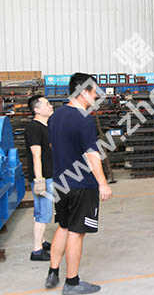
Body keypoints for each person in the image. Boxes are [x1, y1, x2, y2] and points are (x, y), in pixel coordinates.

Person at [45, 73, 113, 295]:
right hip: (81, 185)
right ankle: (72, 282)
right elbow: (92, 155)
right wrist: (103, 183)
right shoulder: (83, 119)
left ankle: (53, 271)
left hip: (60, 182)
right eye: (94, 92)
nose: (97, 96)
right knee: (76, 232)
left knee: (63, 226)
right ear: (84, 92)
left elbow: (54, 147)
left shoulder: (55, 116)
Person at [25, 95, 54, 261]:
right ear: (36, 109)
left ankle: (41, 241)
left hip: (48, 174)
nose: (51, 106)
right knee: (44, 213)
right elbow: (36, 155)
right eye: (47, 104)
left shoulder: (46, 126)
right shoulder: (34, 128)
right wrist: (40, 180)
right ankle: (37, 250)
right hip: (43, 177)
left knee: (40, 211)